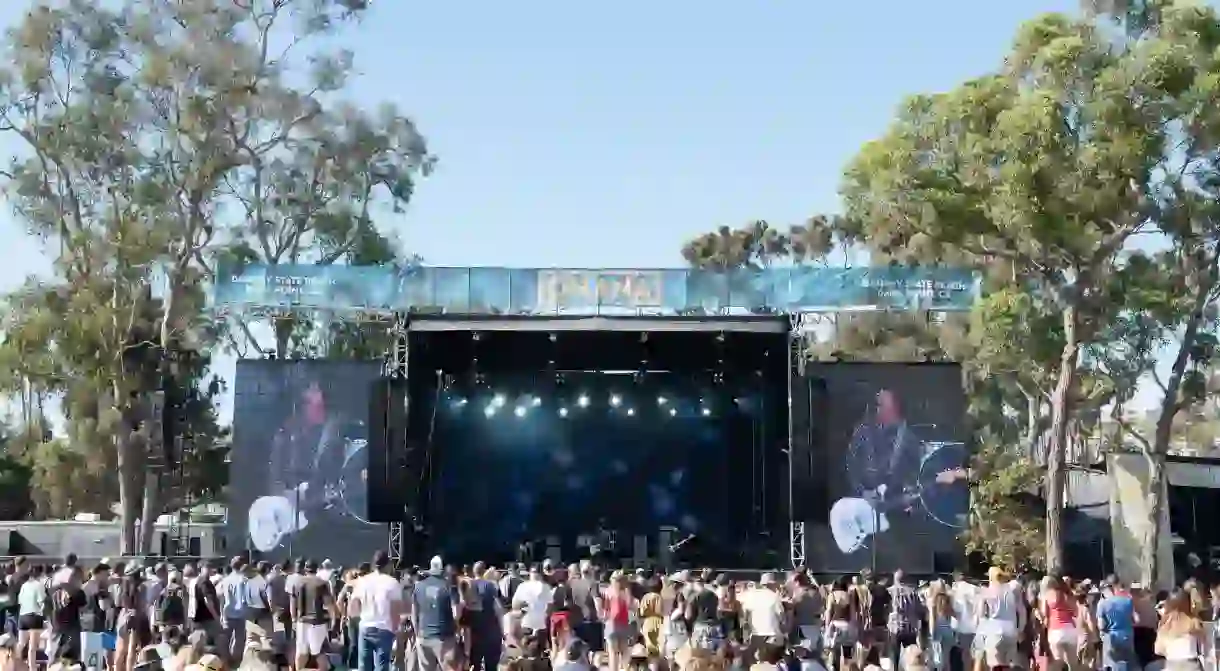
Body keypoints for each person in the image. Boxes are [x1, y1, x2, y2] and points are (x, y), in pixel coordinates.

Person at [350, 551, 403, 671]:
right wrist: (395, 629)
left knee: (364, 665)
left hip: (365, 626)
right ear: (388, 565)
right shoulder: (392, 583)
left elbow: (353, 605)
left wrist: (358, 618)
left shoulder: (362, 581)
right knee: (382, 666)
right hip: (384, 627)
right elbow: (395, 610)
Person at [291, 559, 335, 671]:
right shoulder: (321, 583)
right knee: (318, 652)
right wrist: (333, 619)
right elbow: (328, 603)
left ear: (305, 569)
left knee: (301, 651)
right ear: (317, 569)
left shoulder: (297, 583)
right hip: (317, 622)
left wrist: (293, 619)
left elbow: (293, 604)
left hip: (301, 621)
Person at [1096, 576, 1136, 671]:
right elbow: (1134, 619)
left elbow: (1101, 625)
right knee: (1128, 662)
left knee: (1112, 664)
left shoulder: (1102, 603)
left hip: (1111, 636)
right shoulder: (1128, 601)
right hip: (1127, 634)